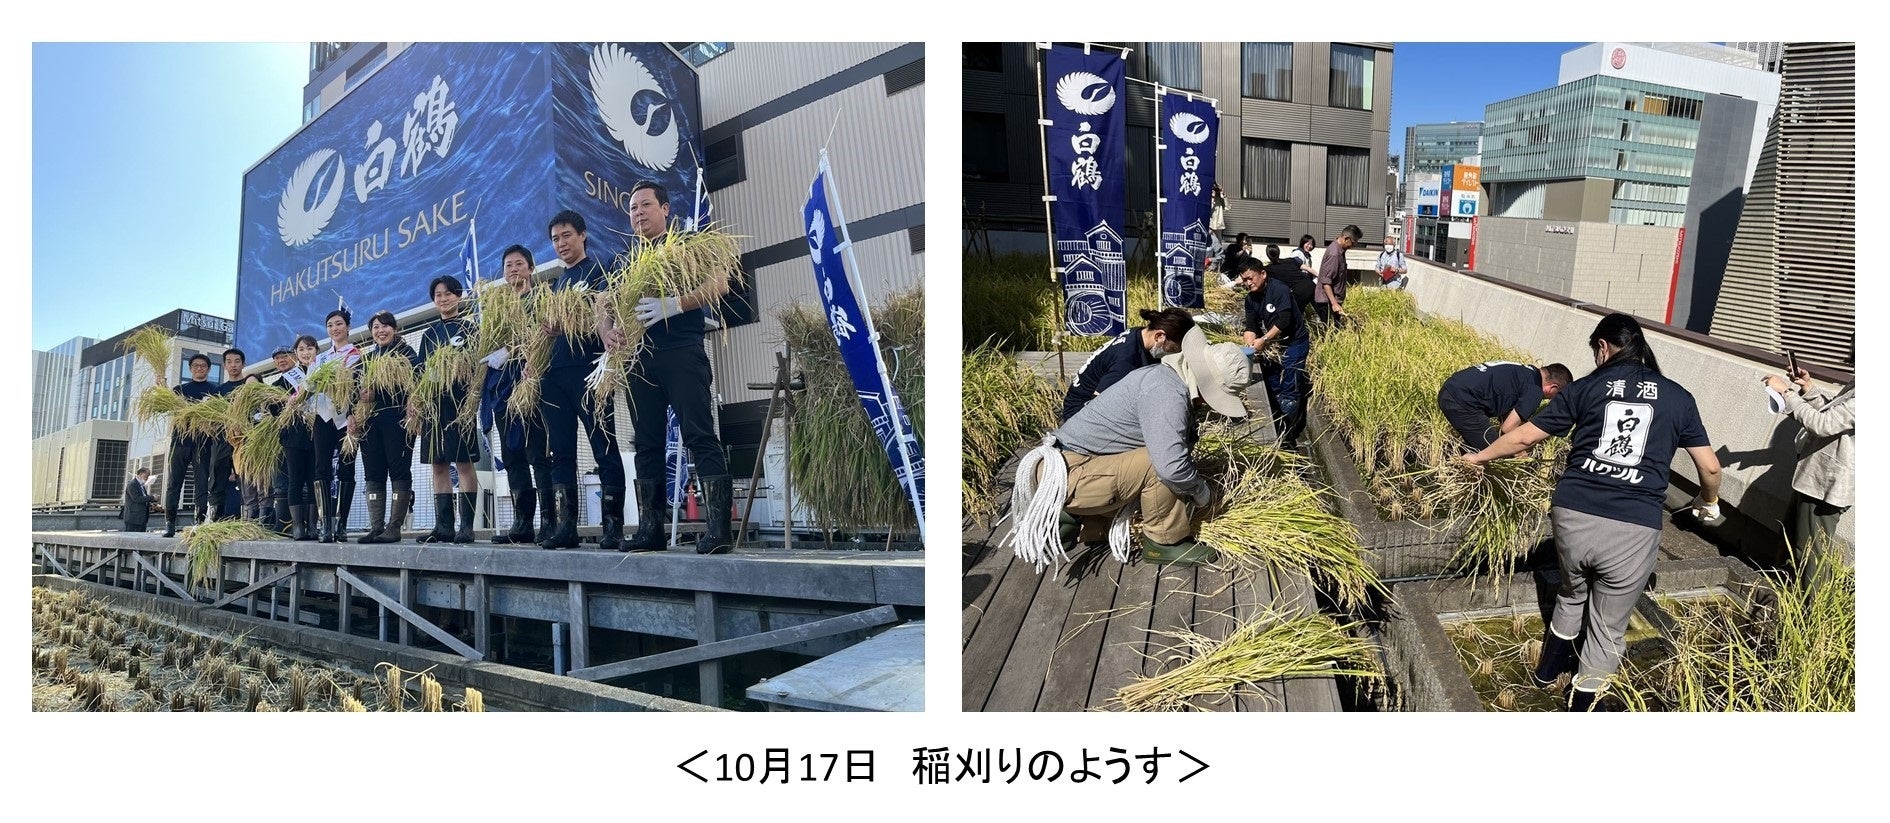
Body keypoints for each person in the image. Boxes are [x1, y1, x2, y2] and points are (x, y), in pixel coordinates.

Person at [1464, 313, 1721, 711]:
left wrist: (1477, 459)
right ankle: (1580, 708)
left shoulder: (1586, 388)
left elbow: (1523, 437)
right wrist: (1708, 501)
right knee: (1607, 629)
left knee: (1571, 594)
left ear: (1603, 347)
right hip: (1633, 526)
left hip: (1573, 513)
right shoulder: (1677, 396)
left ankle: (1545, 674)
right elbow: (1710, 468)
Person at [1013, 327, 1253, 568]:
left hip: (1065, 467)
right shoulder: (1167, 393)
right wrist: (1202, 493)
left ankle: (1069, 518)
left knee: (1166, 455)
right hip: (1068, 476)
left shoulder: (1162, 376)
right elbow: (1171, 467)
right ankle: (1163, 542)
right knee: (1163, 462)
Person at [609, 182, 737, 555]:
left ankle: (718, 529)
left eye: (645, 205)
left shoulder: (687, 245)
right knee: (646, 443)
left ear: (665, 209)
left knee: (699, 434)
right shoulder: (627, 259)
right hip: (640, 358)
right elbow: (605, 304)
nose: (637, 213)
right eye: (632, 208)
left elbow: (720, 283)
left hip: (681, 351)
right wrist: (609, 331)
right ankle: (651, 528)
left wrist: (677, 304)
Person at [539, 209, 629, 550]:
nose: (561, 243)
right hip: (555, 375)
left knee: (603, 447)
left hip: (588, 373)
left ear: (583, 235)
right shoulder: (558, 282)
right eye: (556, 239)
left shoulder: (599, 271)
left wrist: (571, 326)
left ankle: (613, 526)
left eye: (567, 236)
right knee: (560, 454)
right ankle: (566, 528)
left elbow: (605, 317)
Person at [482, 244, 555, 546]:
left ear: (531, 268)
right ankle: (522, 522)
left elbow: (544, 333)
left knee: (537, 453)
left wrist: (512, 351)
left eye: (519, 264)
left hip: (531, 383)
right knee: (512, 456)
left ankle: (550, 521)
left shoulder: (541, 298)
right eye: (508, 265)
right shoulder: (497, 307)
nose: (513, 269)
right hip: (502, 388)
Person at [1762, 357, 1853, 584]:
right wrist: (1808, 388)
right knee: (1794, 544)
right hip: (1818, 480)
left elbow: (1822, 425)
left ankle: (1810, 614)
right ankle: (1783, 600)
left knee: (1810, 556)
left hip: (1827, 485)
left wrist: (1786, 393)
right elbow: (1831, 415)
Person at [416, 275, 482, 544]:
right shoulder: (429, 334)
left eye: (448, 294)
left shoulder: (470, 329)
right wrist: (418, 404)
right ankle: (444, 525)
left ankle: (466, 526)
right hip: (433, 407)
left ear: (458, 296)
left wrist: (473, 399)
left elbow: (479, 367)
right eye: (438, 295)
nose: (443, 299)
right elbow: (420, 373)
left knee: (464, 463)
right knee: (439, 464)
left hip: (460, 405)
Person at [351, 312, 419, 544]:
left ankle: (394, 527)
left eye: (385, 326)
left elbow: (417, 383)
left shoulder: (406, 353)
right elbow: (351, 390)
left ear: (395, 329)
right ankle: (376, 527)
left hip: (397, 419)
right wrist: (355, 409)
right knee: (373, 473)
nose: (381, 331)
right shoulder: (366, 360)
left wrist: (410, 401)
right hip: (370, 423)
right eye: (376, 328)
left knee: (399, 470)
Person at [1060, 308, 1194, 422]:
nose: (1176, 352)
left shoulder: (1139, 334)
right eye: (1175, 348)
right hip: (1080, 414)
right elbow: (1098, 404)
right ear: (1159, 336)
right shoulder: (1126, 361)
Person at [1237, 257, 1310, 448]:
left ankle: (1288, 434)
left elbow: (1285, 320)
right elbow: (1251, 325)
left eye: (1250, 278)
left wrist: (1265, 340)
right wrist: (1250, 343)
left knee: (1290, 387)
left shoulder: (1279, 290)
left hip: (1294, 342)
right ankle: (1279, 421)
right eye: (1244, 280)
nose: (1248, 283)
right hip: (1273, 346)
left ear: (1263, 274)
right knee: (1274, 385)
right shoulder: (1250, 299)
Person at [1437, 361, 1573, 451]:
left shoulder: (1526, 372)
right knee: (1495, 451)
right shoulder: (1534, 391)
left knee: (1480, 440)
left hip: (1450, 388)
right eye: (1556, 396)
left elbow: (1507, 414)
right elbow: (1507, 429)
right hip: (1462, 402)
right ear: (1553, 387)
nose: (1551, 400)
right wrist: (1521, 455)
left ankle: (1450, 457)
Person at [312, 308, 363, 542]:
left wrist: (354, 413)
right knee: (321, 468)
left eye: (339, 323)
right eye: (330, 325)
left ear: (348, 326)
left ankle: (341, 524)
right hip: (323, 417)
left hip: (347, 419)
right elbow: (307, 386)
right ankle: (325, 525)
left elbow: (358, 389)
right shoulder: (320, 358)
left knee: (346, 468)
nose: (335, 328)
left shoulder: (357, 355)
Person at [157, 352, 222, 536]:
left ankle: (199, 522)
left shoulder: (214, 391)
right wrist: (161, 386)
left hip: (203, 443)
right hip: (179, 442)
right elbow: (165, 405)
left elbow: (217, 418)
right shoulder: (179, 390)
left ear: (208, 369)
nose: (199, 368)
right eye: (196, 366)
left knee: (202, 483)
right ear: (190, 368)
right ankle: (169, 523)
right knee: (173, 484)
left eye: (203, 366)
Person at [279, 336, 322, 541]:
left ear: (316, 350)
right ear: (296, 354)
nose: (306, 352)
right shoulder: (287, 378)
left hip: (317, 433)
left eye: (310, 348)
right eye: (301, 349)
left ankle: (313, 525)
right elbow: (273, 406)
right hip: (294, 435)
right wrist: (287, 403)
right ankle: (297, 526)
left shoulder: (324, 371)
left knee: (315, 479)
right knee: (295, 479)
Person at [213, 348, 247, 523]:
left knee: (247, 481)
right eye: (229, 362)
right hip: (222, 441)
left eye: (237, 361)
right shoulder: (218, 391)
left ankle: (247, 520)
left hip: (246, 442)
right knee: (219, 479)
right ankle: (217, 520)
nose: (233, 365)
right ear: (224, 365)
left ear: (243, 363)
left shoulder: (249, 387)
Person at [1313, 225, 1361, 327]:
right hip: (1328, 302)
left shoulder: (1340, 251)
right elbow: (1326, 282)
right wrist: (1334, 303)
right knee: (1330, 333)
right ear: (1346, 238)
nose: (1353, 245)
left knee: (1335, 330)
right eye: (1353, 242)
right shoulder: (1334, 254)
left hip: (1332, 302)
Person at [1263, 243, 1315, 317]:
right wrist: (1318, 275)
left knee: (1293, 314)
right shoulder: (1290, 260)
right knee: (1323, 313)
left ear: (1268, 255)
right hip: (1311, 285)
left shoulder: (1268, 269)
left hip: (1300, 291)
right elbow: (1306, 267)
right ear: (1278, 252)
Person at [122, 468, 153, 532]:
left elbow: (144, 497)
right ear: (140, 474)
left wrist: (153, 499)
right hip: (133, 518)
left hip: (141, 518)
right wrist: (152, 498)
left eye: (148, 477)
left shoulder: (141, 486)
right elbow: (136, 498)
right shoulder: (132, 484)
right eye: (146, 476)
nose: (147, 479)